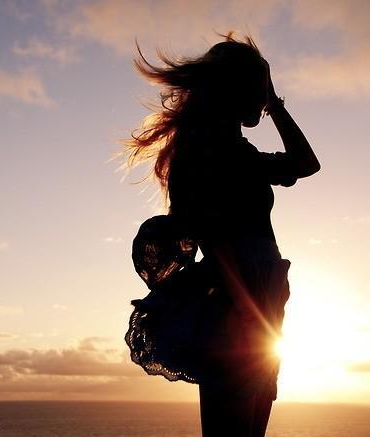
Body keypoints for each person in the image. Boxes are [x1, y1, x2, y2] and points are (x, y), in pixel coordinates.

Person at [121, 31, 321, 437]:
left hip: (262, 294)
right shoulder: (205, 152)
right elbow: (215, 236)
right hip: (237, 299)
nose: (263, 98)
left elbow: (305, 164)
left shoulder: (239, 152)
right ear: (235, 88)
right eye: (260, 87)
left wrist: (275, 103)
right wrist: (245, 307)